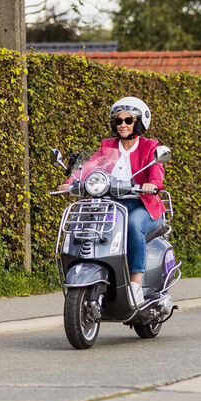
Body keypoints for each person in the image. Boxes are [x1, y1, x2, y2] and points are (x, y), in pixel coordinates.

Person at [57, 96, 164, 307]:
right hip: (112, 203)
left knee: (133, 225)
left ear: (140, 122)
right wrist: (70, 182)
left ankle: (135, 284)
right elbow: (91, 165)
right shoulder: (108, 146)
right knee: (88, 224)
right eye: (118, 121)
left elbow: (156, 169)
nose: (123, 125)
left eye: (128, 120)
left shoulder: (149, 146)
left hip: (141, 204)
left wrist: (152, 184)